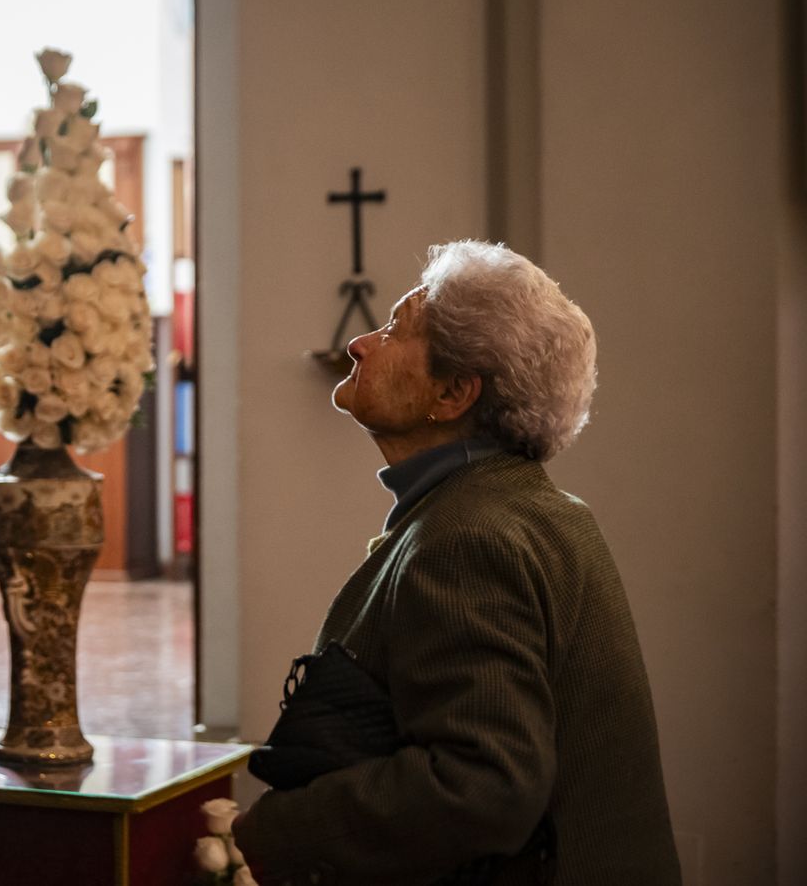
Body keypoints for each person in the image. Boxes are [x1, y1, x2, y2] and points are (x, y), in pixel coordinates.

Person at [234, 240, 679, 885]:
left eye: (393, 331)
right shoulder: (533, 510)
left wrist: (280, 830)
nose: (360, 344)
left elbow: (481, 785)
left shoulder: (470, 536)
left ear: (452, 392)